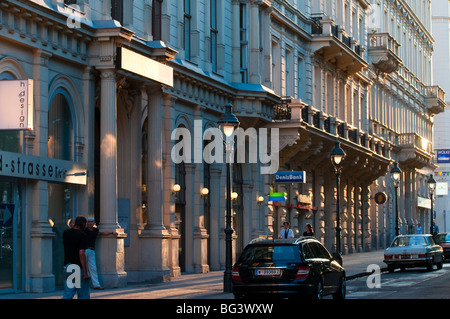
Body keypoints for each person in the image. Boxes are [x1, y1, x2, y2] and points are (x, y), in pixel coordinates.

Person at [62, 216, 90, 299]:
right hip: (77, 267)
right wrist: (85, 272)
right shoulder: (82, 235)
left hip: (68, 266)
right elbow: (81, 253)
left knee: (68, 294)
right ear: (83, 225)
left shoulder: (66, 233)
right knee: (83, 294)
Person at [85, 217, 116, 290]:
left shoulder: (95, 230)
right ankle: (81, 285)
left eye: (91, 222)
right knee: (83, 268)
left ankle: (96, 285)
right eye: (88, 222)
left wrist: (112, 232)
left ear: (94, 223)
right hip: (84, 250)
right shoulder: (84, 230)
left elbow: (102, 233)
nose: (90, 223)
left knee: (93, 268)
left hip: (92, 250)